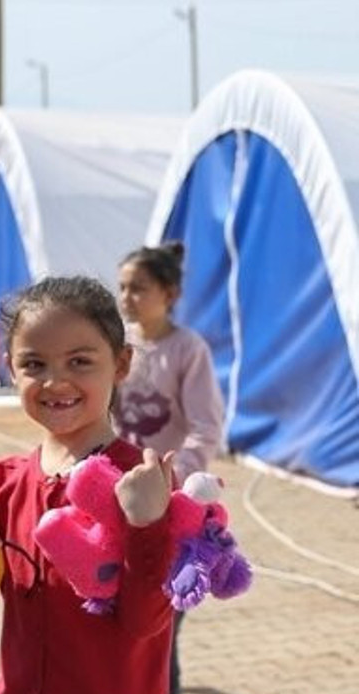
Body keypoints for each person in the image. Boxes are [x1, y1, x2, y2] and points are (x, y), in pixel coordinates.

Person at [0, 276, 176, 694]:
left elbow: (146, 621)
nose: (55, 382)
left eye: (79, 361)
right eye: (34, 364)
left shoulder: (144, 484)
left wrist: (147, 524)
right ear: (11, 368)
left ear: (122, 362)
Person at [113, 241, 224, 694]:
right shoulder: (117, 346)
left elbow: (205, 427)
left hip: (169, 509)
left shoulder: (187, 350)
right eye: (121, 287)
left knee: (160, 628)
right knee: (116, 621)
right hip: (116, 500)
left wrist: (172, 484)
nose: (126, 298)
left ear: (170, 293)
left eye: (138, 288)